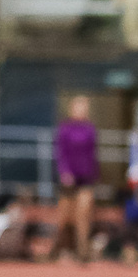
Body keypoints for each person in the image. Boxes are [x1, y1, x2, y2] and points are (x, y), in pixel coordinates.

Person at [52, 95, 99, 264]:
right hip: (68, 179)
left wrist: (95, 175)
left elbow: (93, 154)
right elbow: (61, 153)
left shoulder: (90, 129)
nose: (82, 110)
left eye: (85, 107)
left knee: (84, 214)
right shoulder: (65, 128)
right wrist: (64, 172)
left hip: (86, 178)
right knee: (65, 218)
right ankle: (59, 250)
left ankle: (83, 251)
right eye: (79, 106)